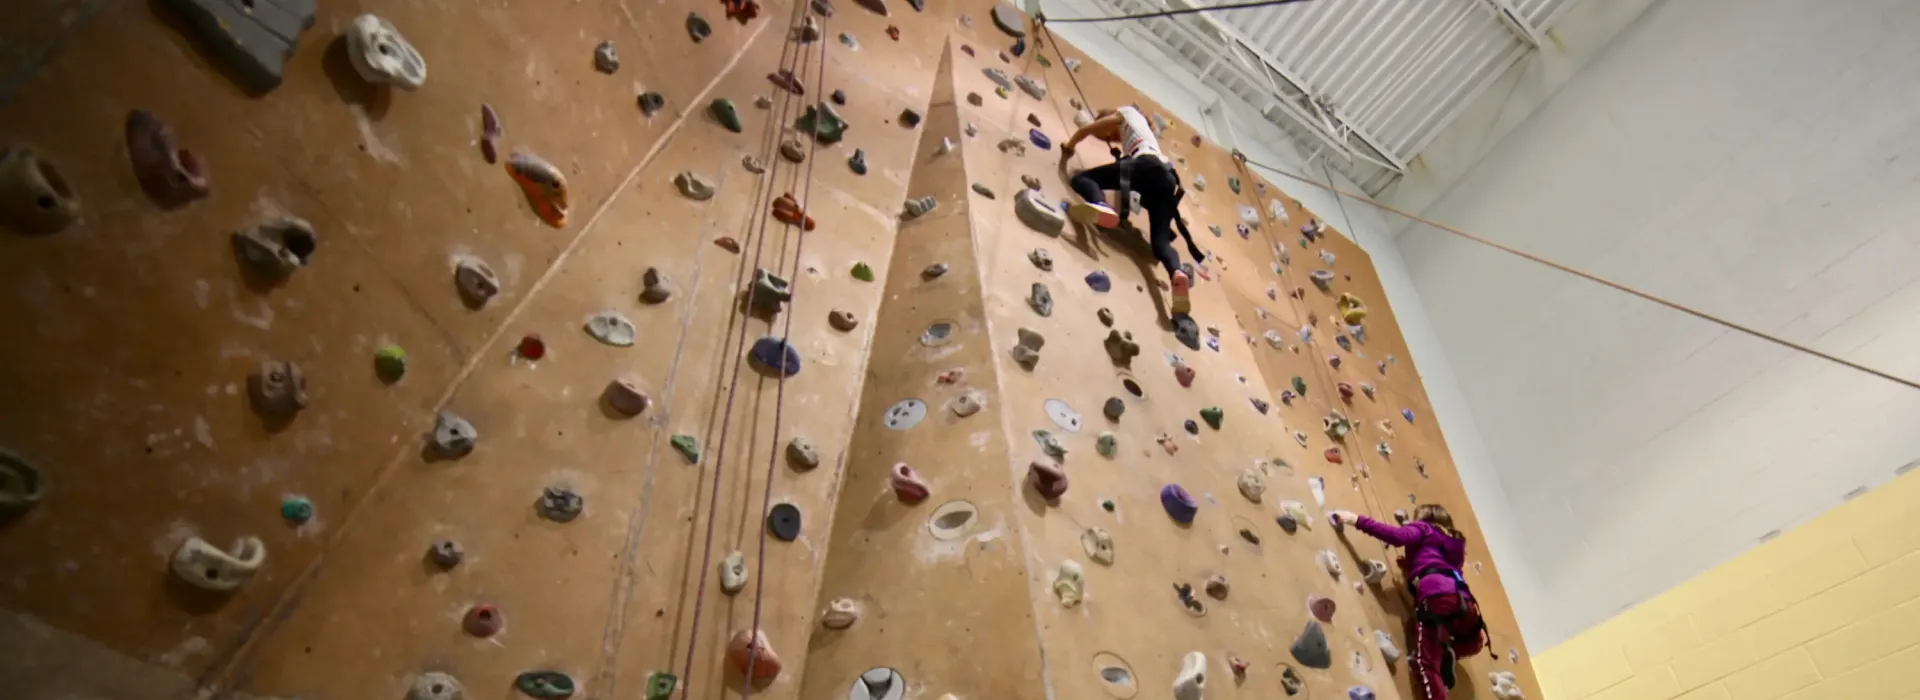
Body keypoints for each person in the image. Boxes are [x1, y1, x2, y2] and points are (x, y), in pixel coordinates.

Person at [1059, 106, 1207, 322]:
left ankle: (1100, 204)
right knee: (1161, 244)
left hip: (1144, 167)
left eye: (1109, 135)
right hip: (1168, 179)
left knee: (1082, 179)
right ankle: (1177, 272)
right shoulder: (1144, 133)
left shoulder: (1126, 112)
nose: (1111, 137)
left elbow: (1087, 129)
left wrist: (1068, 147)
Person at [1329, 504, 1489, 700]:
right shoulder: (1455, 542)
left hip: (1437, 596)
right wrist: (1412, 564)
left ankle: (1438, 659)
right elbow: (1440, 563)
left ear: (1422, 517)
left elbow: (1397, 536)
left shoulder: (1423, 528)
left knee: (1425, 664)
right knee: (1475, 641)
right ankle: (1447, 652)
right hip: (1465, 602)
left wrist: (1355, 519)